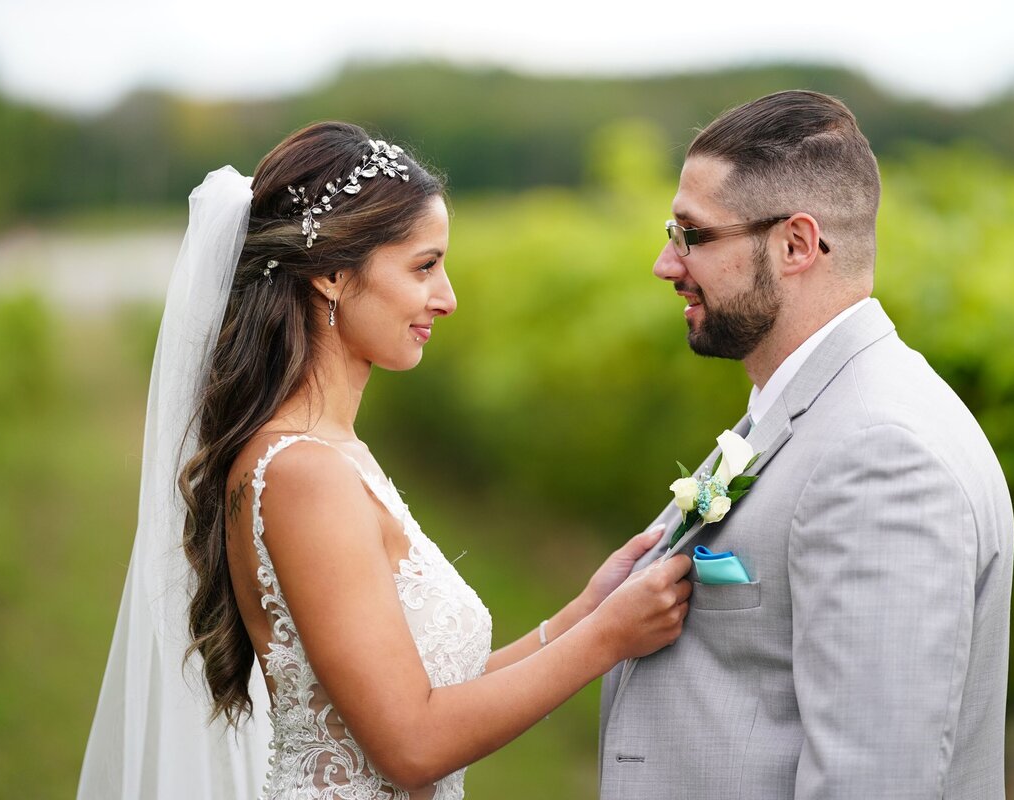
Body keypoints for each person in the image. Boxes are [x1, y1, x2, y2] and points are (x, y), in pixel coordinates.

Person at [78, 121, 693, 800]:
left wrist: (584, 612)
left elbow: (426, 698)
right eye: (425, 266)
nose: (448, 297)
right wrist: (608, 639)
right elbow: (411, 744)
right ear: (334, 275)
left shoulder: (334, 455)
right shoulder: (302, 474)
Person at [598, 91, 1014, 798]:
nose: (666, 265)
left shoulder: (885, 456)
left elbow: (874, 779)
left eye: (693, 236)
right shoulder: (808, 410)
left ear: (795, 244)